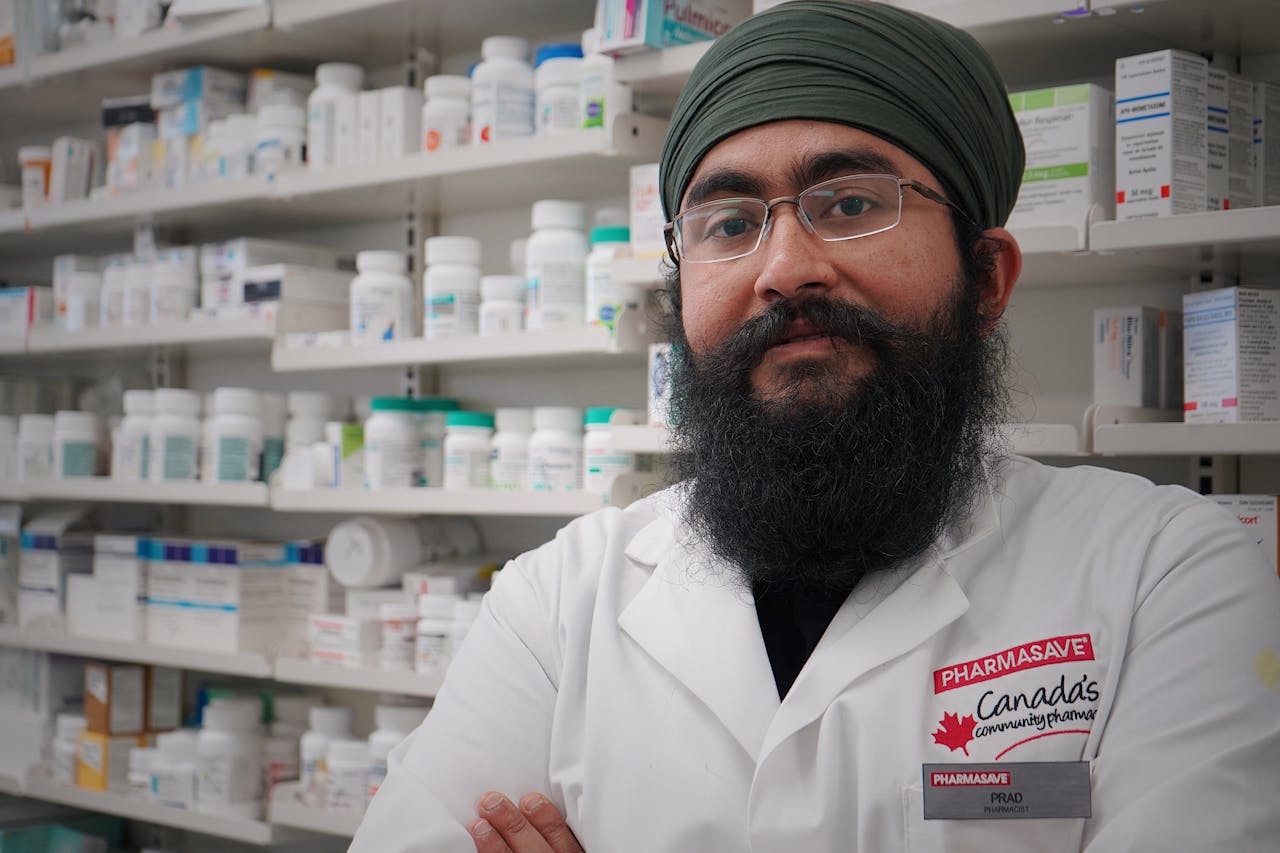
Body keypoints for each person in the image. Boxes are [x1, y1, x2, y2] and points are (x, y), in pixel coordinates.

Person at [349, 3, 1280, 851]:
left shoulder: (1168, 572)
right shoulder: (555, 602)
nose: (785, 268)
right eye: (728, 222)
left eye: (851, 204)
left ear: (987, 279)